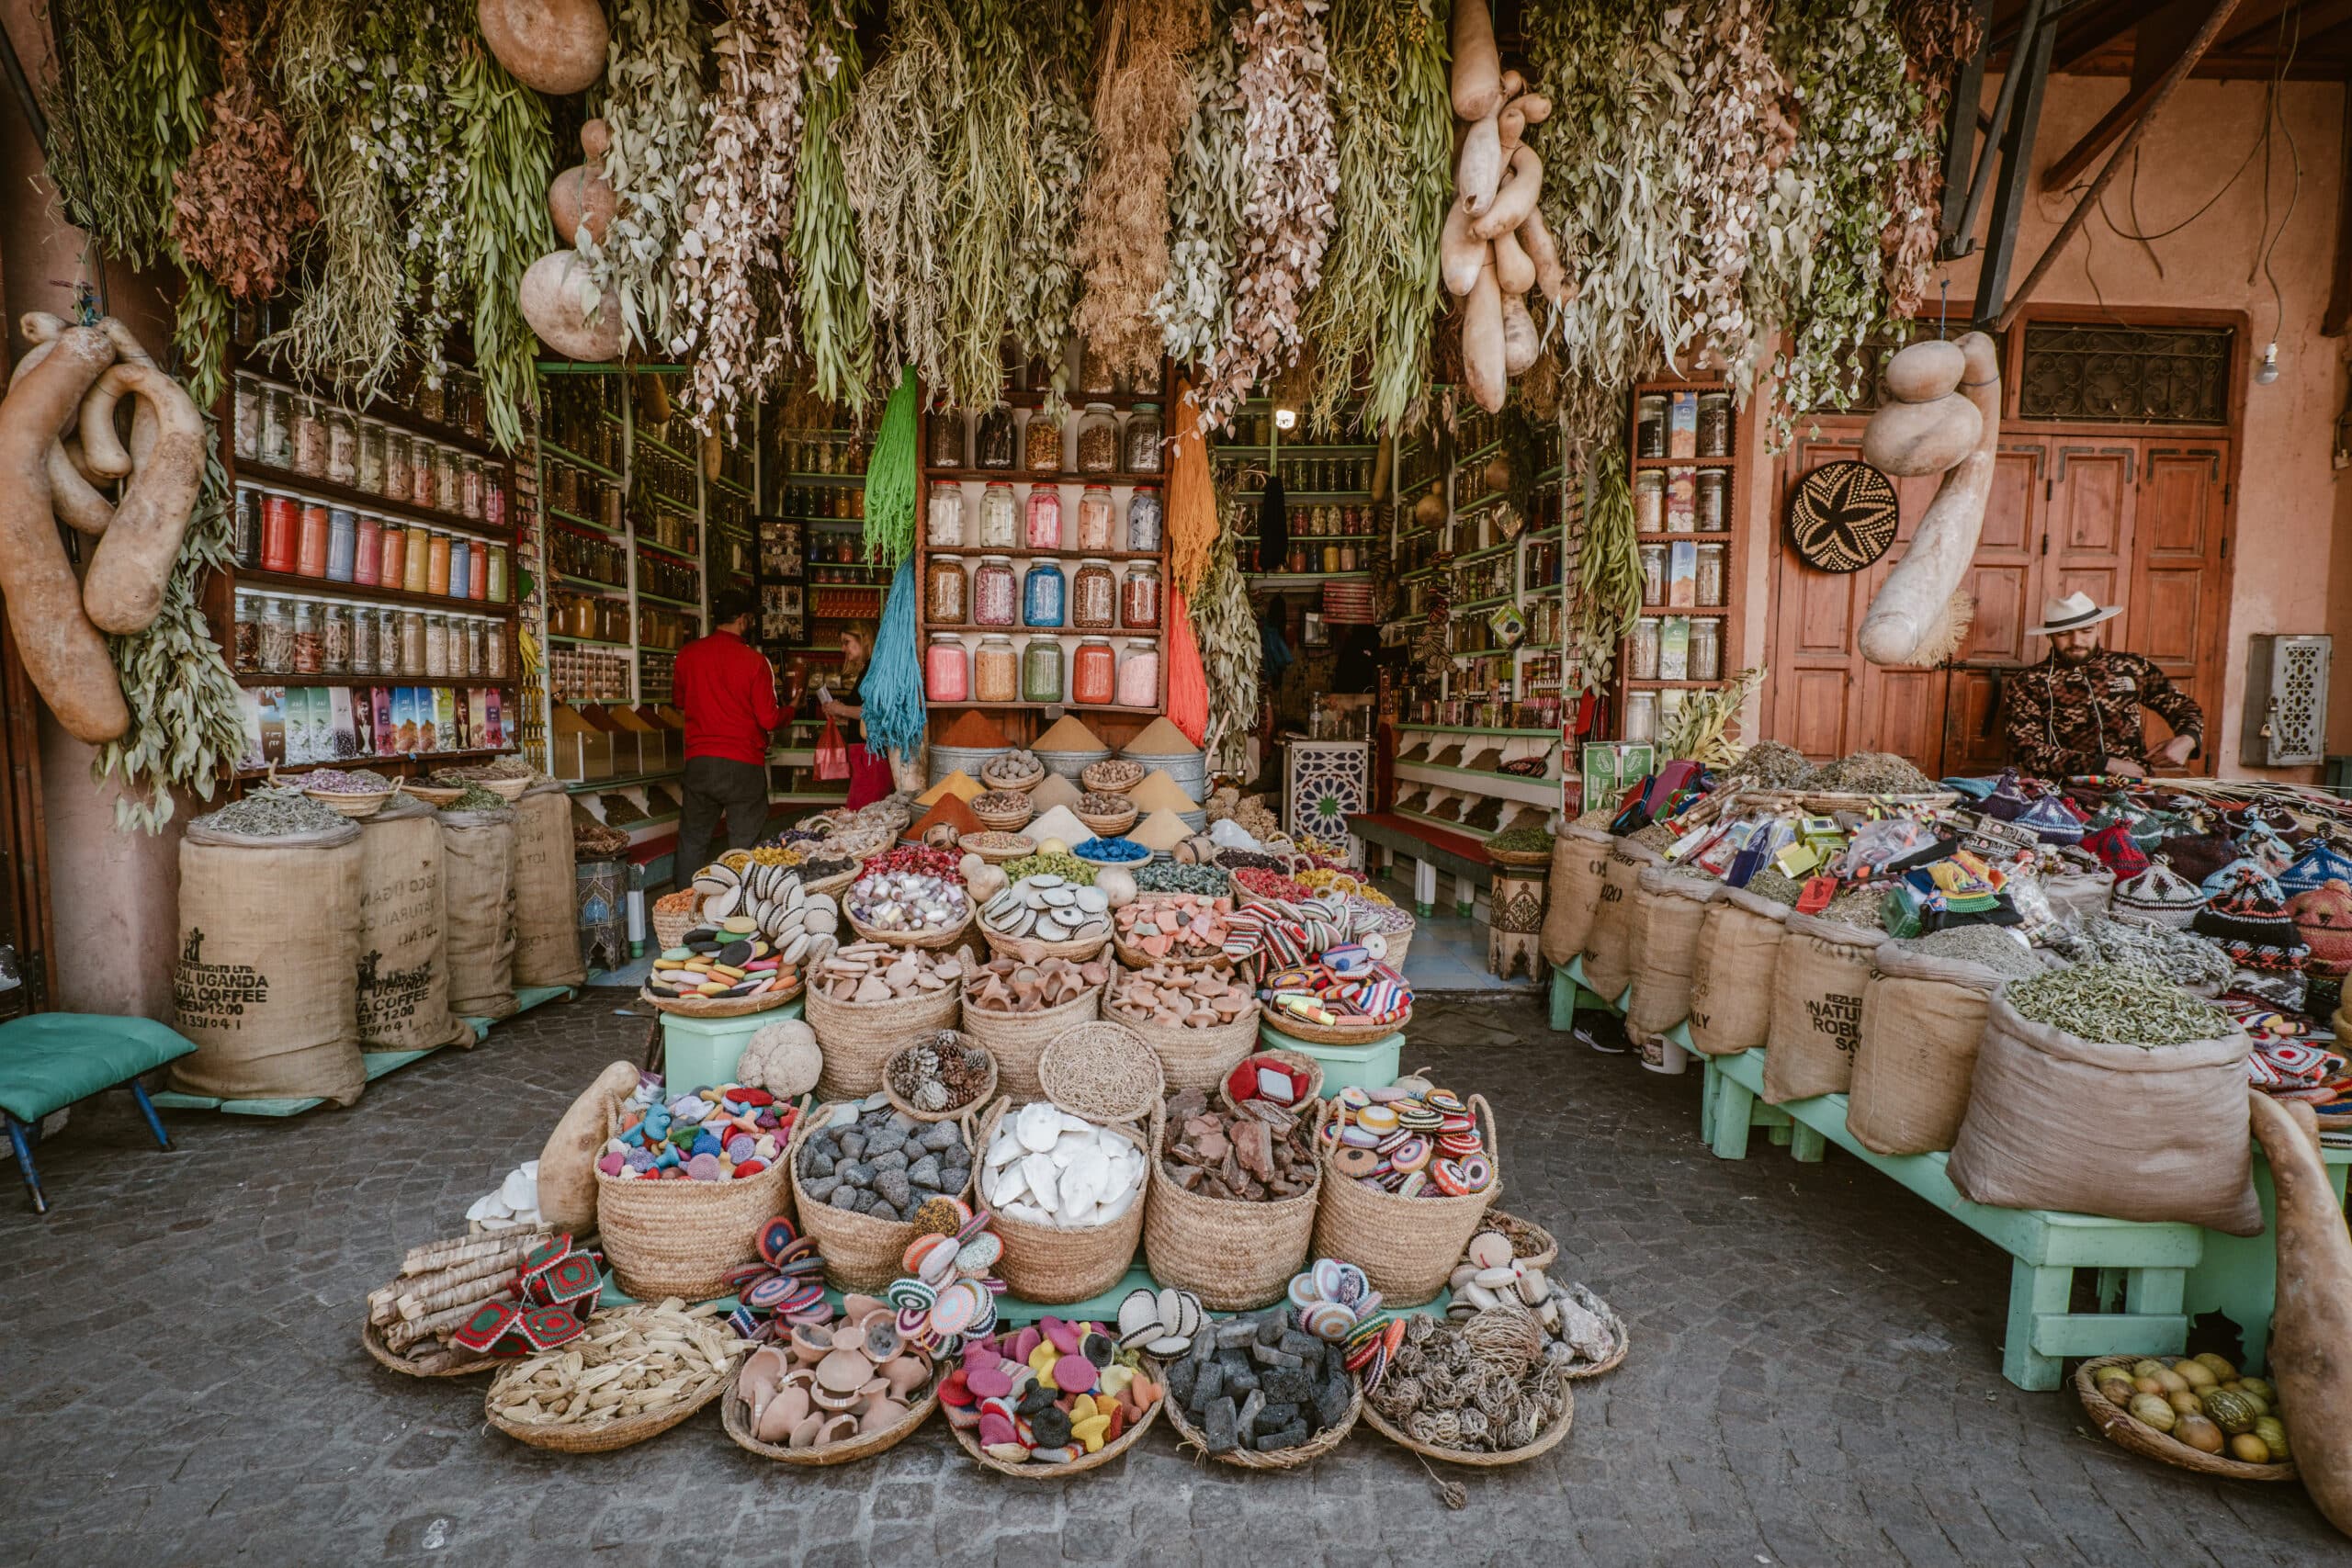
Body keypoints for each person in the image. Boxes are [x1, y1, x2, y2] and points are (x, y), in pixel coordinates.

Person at [2004, 592, 2204, 780]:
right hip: (2063, 792)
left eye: (2086, 630)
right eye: (2064, 634)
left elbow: (2184, 708)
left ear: (2098, 627)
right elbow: (2025, 749)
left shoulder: (2131, 667)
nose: (2077, 641)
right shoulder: (2028, 682)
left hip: (2133, 787)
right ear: (2050, 635)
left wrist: (2188, 739)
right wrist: (2103, 764)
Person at [672, 590, 782, 876]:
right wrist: (792, 708)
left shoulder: (688, 655)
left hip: (700, 763)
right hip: (743, 765)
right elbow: (769, 719)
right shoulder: (755, 662)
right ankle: (742, 912)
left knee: (692, 841)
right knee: (745, 847)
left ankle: (681, 911)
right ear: (744, 620)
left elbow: (680, 702)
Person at [819, 621, 894, 809]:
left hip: (871, 756)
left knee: (864, 810)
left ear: (864, 639)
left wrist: (841, 710)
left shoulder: (875, 670)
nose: (842, 648)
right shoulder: (868, 670)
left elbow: (876, 712)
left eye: (847, 641)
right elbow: (864, 717)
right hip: (864, 755)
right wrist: (843, 718)